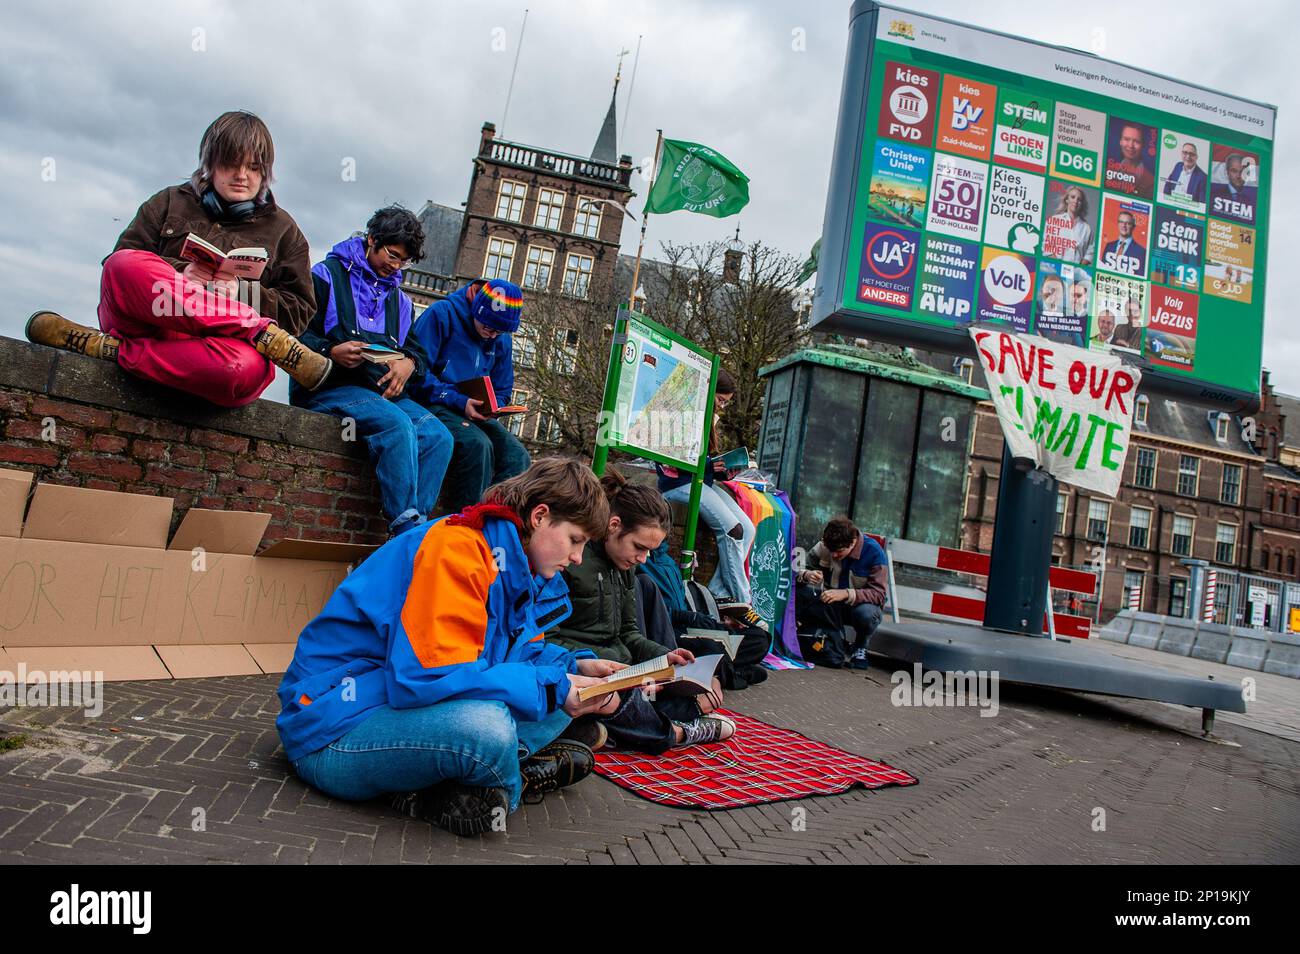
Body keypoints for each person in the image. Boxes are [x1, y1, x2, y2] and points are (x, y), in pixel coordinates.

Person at [277, 457, 624, 837]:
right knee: (489, 727)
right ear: (540, 516)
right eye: (576, 540)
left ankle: (468, 777)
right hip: (333, 730)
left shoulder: (516, 566)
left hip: (394, 707)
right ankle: (511, 779)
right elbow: (424, 678)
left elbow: (516, 654)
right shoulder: (456, 549)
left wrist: (577, 667)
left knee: (564, 693)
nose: (577, 558)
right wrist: (555, 687)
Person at [26, 110, 329, 406]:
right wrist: (182, 275)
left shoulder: (285, 231)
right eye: (231, 164)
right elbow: (120, 270)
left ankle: (112, 351)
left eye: (252, 167)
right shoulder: (168, 201)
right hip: (151, 322)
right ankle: (256, 329)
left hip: (211, 350)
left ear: (265, 171)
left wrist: (240, 292)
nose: (241, 175)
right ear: (210, 164)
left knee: (244, 370)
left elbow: (300, 311)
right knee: (123, 265)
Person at [547, 469, 736, 754]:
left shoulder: (626, 567)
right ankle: (677, 732)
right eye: (639, 547)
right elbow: (547, 641)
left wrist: (664, 657)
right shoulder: (570, 559)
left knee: (675, 688)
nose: (643, 558)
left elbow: (629, 633)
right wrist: (610, 665)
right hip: (590, 674)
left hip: (626, 674)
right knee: (632, 701)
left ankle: (606, 732)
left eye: (649, 551)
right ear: (613, 525)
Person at [290, 207, 453, 536]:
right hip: (330, 388)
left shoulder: (400, 300)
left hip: (381, 391)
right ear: (371, 240)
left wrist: (408, 364)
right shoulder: (325, 275)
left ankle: (413, 528)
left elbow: (417, 352)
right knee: (397, 426)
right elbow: (294, 334)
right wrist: (330, 351)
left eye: (403, 261)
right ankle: (404, 527)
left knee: (439, 437)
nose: (395, 265)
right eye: (392, 255)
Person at [408, 279, 531, 512]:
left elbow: (503, 388)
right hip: (435, 402)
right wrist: (457, 399)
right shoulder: (441, 315)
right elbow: (416, 372)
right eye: (488, 325)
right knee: (477, 445)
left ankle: (492, 520)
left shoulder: (500, 337)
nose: (492, 334)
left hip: (475, 413)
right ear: (476, 308)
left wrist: (494, 407)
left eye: (500, 330)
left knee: (518, 456)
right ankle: (463, 525)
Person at [655, 369, 761, 628]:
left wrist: (723, 470)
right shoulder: (681, 414)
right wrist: (711, 468)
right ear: (708, 394)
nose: (722, 407)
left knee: (747, 527)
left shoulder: (706, 418)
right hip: (677, 484)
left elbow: (702, 462)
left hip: (699, 480)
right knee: (732, 529)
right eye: (720, 400)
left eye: (725, 403)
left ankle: (717, 593)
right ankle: (743, 599)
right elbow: (677, 462)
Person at [794, 517, 889, 670]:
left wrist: (846, 593)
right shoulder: (825, 546)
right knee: (799, 593)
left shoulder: (874, 552)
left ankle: (860, 647)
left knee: (867, 614)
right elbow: (797, 571)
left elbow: (879, 594)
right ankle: (800, 636)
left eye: (839, 552)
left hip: (854, 608)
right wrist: (807, 575)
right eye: (831, 551)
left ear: (852, 542)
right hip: (829, 605)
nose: (834, 556)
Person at [1041, 185, 1094, 265]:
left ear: (1081, 204)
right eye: (1073, 197)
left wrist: (1079, 267)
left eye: (1079, 199)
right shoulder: (1054, 220)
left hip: (1075, 273)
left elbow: (1090, 252)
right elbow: (1047, 246)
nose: (1076, 201)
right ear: (1067, 200)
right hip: (1054, 267)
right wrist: (1058, 266)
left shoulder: (1086, 228)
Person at [1107, 122, 1154, 197]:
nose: (1131, 145)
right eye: (1126, 139)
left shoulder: (1150, 182)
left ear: (1143, 145)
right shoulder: (1108, 171)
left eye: (1136, 141)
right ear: (1120, 142)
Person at [1210, 152, 1258, 221]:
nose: (1238, 176)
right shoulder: (1213, 196)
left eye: (1242, 172)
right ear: (1227, 172)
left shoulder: (1251, 202)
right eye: (1234, 171)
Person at [1100, 210, 1146, 276]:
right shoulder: (1109, 246)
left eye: (1128, 223)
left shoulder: (1141, 251)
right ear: (1118, 224)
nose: (1124, 226)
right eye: (1121, 222)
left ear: (1133, 226)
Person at [1162, 141, 1207, 205]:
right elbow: (1168, 185)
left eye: (1191, 154)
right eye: (1185, 153)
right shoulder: (1178, 166)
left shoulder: (1203, 177)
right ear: (1181, 154)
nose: (1188, 156)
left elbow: (1202, 203)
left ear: (1196, 157)